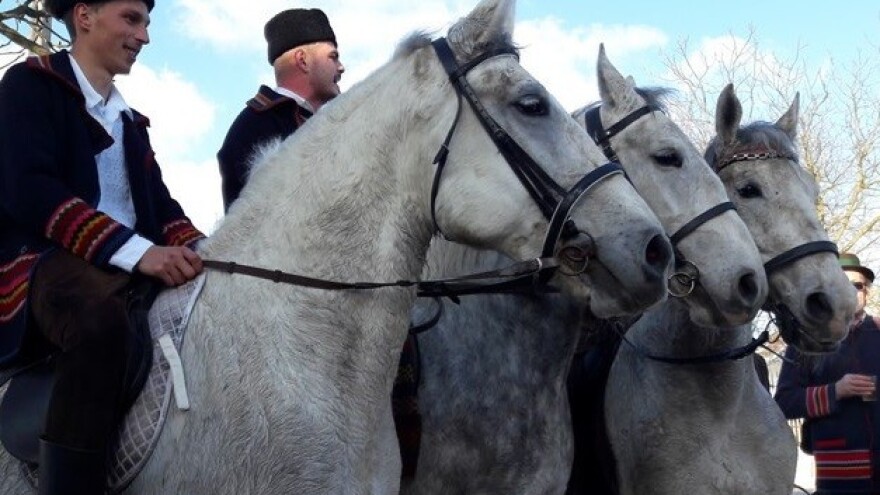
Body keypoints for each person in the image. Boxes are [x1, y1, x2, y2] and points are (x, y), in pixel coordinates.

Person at [0, 0, 205, 492]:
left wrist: (209, 251)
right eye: (132, 19)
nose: (145, 36)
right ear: (85, 15)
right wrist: (138, 252)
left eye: (148, 23)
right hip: (39, 261)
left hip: (124, 263)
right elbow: (29, 189)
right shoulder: (28, 85)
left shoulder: (130, 121)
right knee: (99, 318)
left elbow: (162, 207)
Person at [216, 8, 343, 211]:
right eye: (333, 56)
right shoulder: (256, 125)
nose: (341, 67)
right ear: (303, 60)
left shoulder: (332, 122)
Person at [776, 253, 879, 495]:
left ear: (867, 292)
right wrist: (836, 391)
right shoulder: (807, 340)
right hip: (840, 475)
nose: (851, 292)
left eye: (857, 285)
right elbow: (784, 402)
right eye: (841, 284)